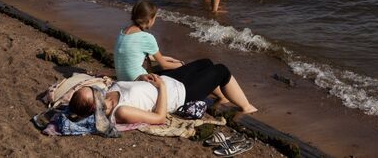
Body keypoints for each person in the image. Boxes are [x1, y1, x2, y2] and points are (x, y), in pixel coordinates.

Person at [113, 0, 242, 109]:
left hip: (127, 79)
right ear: (150, 19)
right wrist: (181, 65)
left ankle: (221, 97)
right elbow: (163, 65)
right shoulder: (146, 37)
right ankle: (223, 96)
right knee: (200, 67)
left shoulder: (123, 32)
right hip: (143, 83)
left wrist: (171, 60)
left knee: (206, 63)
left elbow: (145, 56)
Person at [68, 65, 257, 126]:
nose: (96, 90)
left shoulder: (108, 94)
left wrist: (141, 77)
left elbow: (135, 88)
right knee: (221, 70)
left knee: (206, 62)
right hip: (180, 94)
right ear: (95, 106)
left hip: (166, 80)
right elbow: (159, 118)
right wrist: (162, 88)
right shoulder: (121, 111)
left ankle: (222, 97)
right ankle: (246, 107)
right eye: (93, 94)